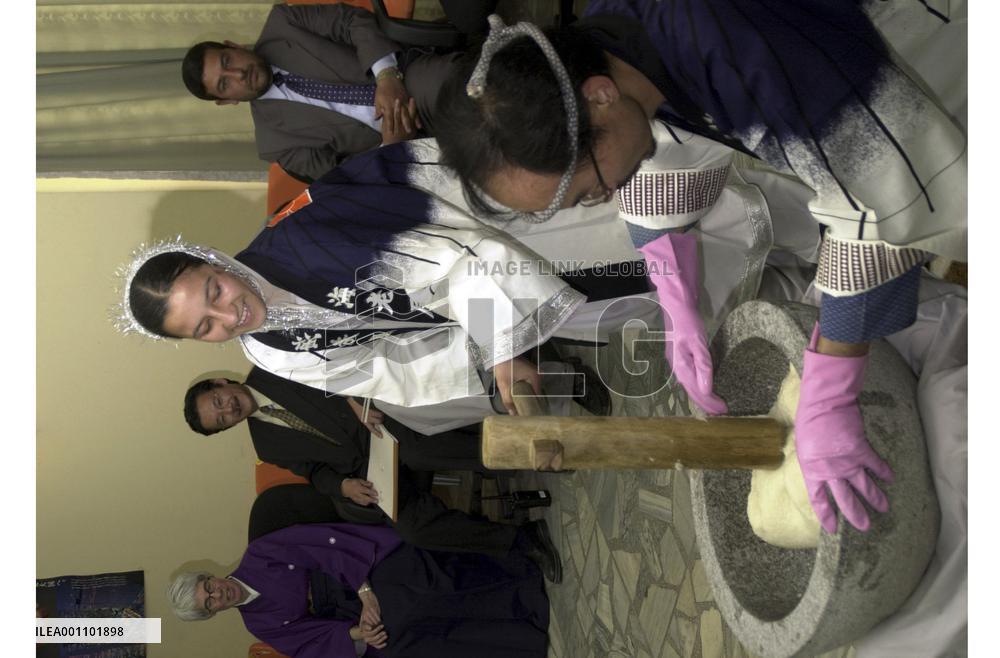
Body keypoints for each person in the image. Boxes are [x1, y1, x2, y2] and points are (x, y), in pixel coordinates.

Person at [432, 1, 967, 535]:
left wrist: (830, 387)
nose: (599, 201)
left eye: (586, 188)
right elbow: (668, 149)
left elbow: (881, 200)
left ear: (598, 96)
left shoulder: (740, 48)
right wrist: (672, 289)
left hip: (933, 50)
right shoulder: (615, 49)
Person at [180, 367, 564, 581]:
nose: (229, 409)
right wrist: (343, 485)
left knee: (418, 449)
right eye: (223, 419)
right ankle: (521, 540)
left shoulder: (270, 365)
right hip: (368, 468)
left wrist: (355, 398)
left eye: (218, 401)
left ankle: (525, 451)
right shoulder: (266, 445)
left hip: (380, 414)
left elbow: (335, 358)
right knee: (413, 529)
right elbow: (313, 471)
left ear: (220, 383)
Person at [168, 523, 549, 657]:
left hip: (361, 567)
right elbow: (310, 644)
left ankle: (522, 586)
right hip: (352, 614)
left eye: (209, 587)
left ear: (209, 576)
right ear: (213, 613)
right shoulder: (258, 624)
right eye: (211, 604)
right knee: (400, 644)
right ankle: (522, 638)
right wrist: (359, 632)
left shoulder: (260, 554)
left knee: (412, 601)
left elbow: (323, 545)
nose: (218, 595)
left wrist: (366, 591)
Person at [181, 3, 461, 182]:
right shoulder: (276, 144)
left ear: (233, 46)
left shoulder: (284, 22)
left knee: (449, 90)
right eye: (225, 84)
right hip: (396, 156)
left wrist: (387, 77)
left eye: (227, 62)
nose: (238, 74)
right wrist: (390, 147)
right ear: (227, 100)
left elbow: (353, 22)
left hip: (408, 82)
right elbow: (342, 177)